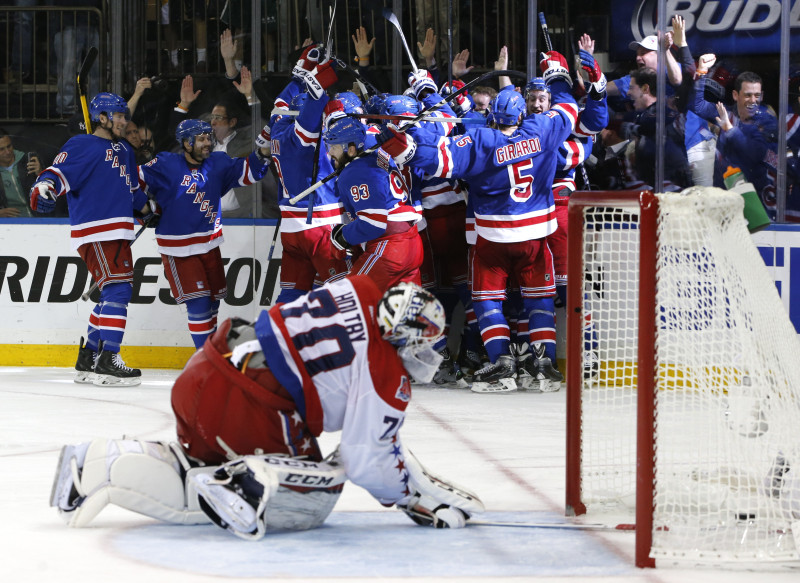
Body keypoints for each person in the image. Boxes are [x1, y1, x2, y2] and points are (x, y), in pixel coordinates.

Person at [49, 277, 484, 538]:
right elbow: (365, 461)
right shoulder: (386, 375)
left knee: (194, 467)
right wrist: (412, 499)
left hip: (209, 366)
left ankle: (98, 462)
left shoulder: (360, 287)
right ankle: (248, 482)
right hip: (253, 404)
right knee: (322, 485)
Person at [378, 51, 578, 393]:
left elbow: (434, 159)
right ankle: (543, 366)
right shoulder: (542, 129)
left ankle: (501, 363)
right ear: (523, 112)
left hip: (492, 239)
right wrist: (557, 76)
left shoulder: (482, 140)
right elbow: (570, 109)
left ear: (494, 116)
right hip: (535, 237)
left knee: (487, 301)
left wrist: (401, 137)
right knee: (539, 301)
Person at [29, 92, 152, 386]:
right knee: (119, 291)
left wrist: (148, 209)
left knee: (112, 293)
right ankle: (109, 359)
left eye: (125, 116)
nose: (125, 121)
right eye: (119, 116)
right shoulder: (82, 144)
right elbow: (55, 174)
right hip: (97, 229)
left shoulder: (124, 149)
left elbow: (132, 189)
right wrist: (44, 188)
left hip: (118, 230)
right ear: (102, 118)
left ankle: (90, 356)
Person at [137, 119, 271, 349]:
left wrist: (265, 150)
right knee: (198, 305)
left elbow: (250, 171)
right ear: (187, 143)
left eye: (209, 137)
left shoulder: (218, 163)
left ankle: (212, 352)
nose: (207, 143)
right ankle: (206, 358)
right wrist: (144, 207)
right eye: (201, 139)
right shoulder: (166, 163)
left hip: (210, 245)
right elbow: (131, 181)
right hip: (178, 250)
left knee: (212, 304)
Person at [324, 113, 424, 293]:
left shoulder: (355, 171)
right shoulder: (377, 155)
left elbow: (373, 224)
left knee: (346, 300)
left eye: (335, 147)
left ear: (351, 149)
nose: (330, 153)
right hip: (412, 242)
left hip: (389, 248)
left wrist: (342, 236)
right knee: (403, 313)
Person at [0, 128, 42, 218]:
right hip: (9, 224)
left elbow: (53, 193)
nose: (7, 152)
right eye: (1, 149)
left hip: (39, 219)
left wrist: (41, 174)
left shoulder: (28, 161)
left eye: (9, 146)